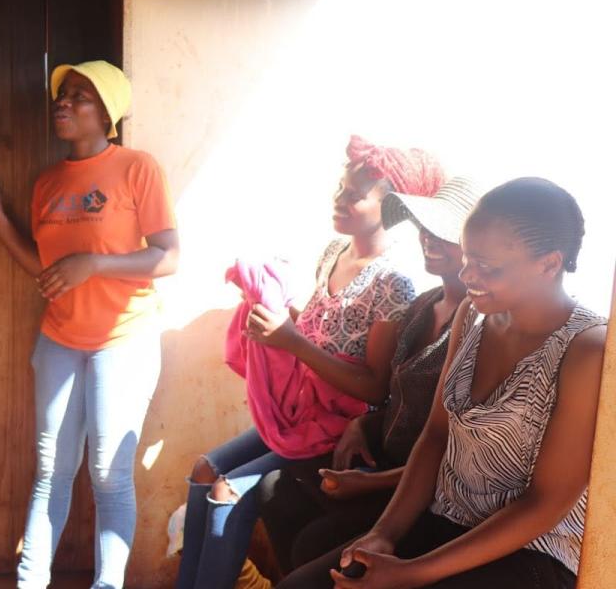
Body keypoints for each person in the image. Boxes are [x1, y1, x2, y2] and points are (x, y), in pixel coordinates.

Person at [278, 178, 606, 588]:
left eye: (488, 267)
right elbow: (436, 435)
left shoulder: (586, 350)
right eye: (467, 258)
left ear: (549, 264)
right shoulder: (473, 316)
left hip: (532, 551)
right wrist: (385, 533)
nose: (468, 274)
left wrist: (415, 573)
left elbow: (547, 502)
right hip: (450, 516)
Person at [176, 136, 443, 589]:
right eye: (340, 188)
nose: (338, 200)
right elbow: (320, 330)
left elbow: (373, 387)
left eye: (354, 195)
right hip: (301, 412)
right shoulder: (334, 253)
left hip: (333, 426)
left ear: (394, 206)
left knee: (226, 494)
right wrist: (275, 313)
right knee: (205, 470)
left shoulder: (394, 280)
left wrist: (290, 340)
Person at [0, 60, 179, 588]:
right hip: (60, 339)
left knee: (109, 476)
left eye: (79, 96)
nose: (62, 102)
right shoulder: (48, 182)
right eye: (62, 94)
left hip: (123, 339)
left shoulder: (138, 168)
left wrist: (96, 264)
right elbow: (49, 272)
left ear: (106, 112)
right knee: (51, 472)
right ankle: (30, 581)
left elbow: (169, 256)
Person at [256, 177, 481, 574]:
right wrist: (364, 422)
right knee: (276, 491)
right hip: (383, 458)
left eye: (443, 233)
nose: (427, 238)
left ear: (481, 247)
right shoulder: (423, 306)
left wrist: (372, 484)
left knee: (312, 544)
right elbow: (392, 396)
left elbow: (450, 447)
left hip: (418, 487)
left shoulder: (481, 328)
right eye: (423, 227)